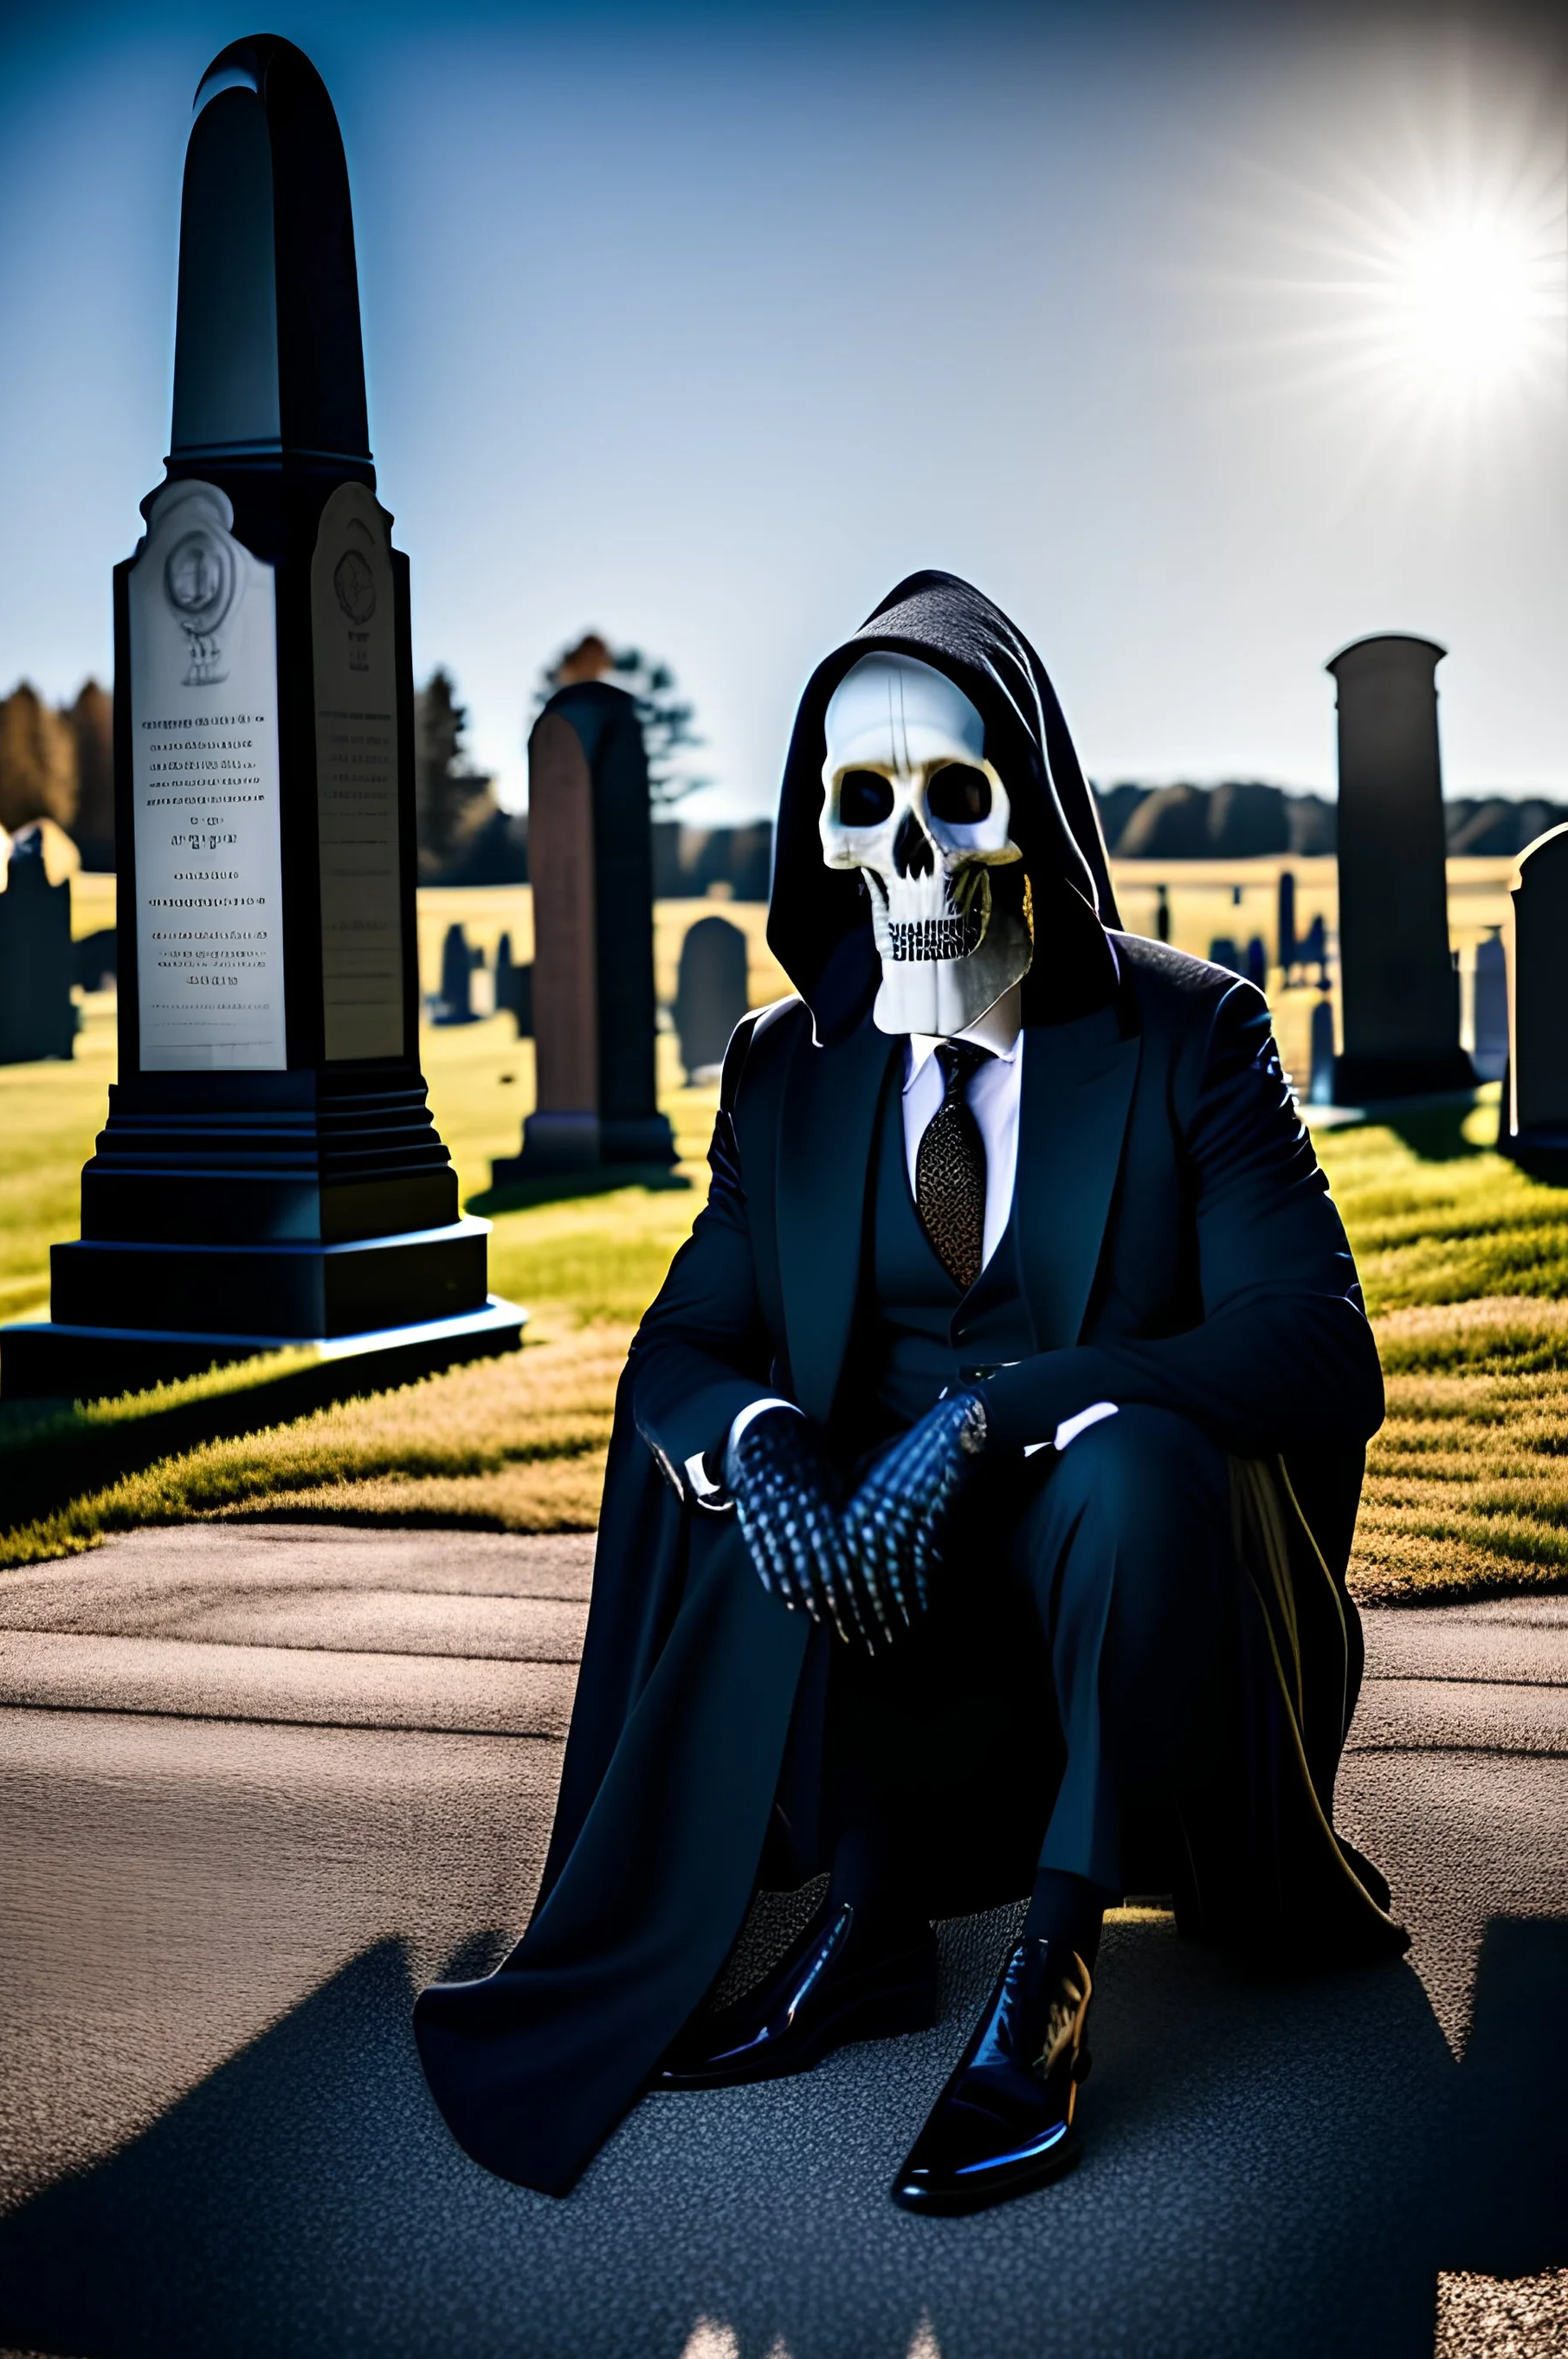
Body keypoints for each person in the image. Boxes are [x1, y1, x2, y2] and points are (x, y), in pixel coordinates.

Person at [415, 572, 1403, 2208]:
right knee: (778, 1478)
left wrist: (1002, 1413)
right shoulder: (784, 1068)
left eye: (956, 802)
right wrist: (763, 1440)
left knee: (1139, 1459)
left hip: (1126, 1605)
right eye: (866, 811)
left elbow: (1319, 1349)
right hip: (896, 1610)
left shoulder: (1189, 1036)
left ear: (1037, 814)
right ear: (826, 840)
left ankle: (1053, 1974)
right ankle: (869, 1924)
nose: (914, 860)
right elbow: (683, 1347)